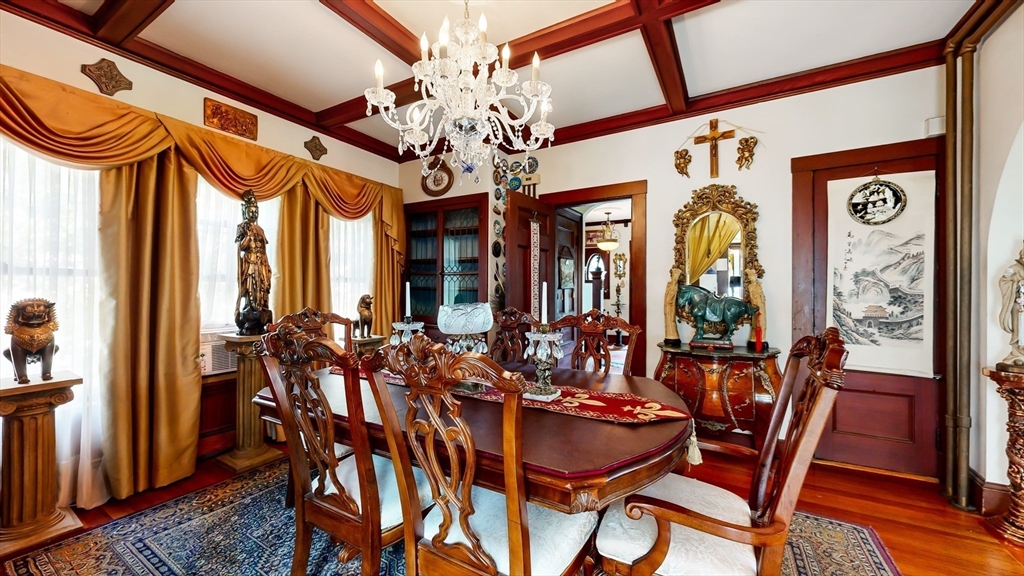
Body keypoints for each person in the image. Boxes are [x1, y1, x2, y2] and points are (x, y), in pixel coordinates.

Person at [235, 190, 272, 335]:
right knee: (251, 287)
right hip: (250, 262)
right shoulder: (242, 227)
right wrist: (249, 236)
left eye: (255, 211)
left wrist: (267, 265)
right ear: (245, 211)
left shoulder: (260, 229)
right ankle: (251, 309)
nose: (253, 213)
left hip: (261, 262)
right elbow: (241, 247)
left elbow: (264, 248)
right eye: (251, 211)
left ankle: (261, 309)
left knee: (262, 287)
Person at [998, 242, 1024, 368]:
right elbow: (1004, 281)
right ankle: (1018, 354)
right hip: (1019, 307)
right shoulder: (1014, 268)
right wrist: (1018, 284)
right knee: (1019, 329)